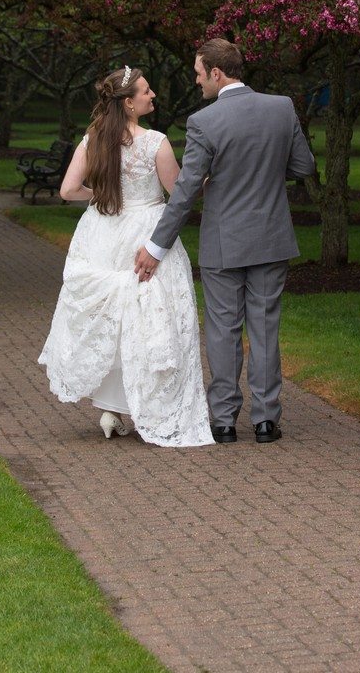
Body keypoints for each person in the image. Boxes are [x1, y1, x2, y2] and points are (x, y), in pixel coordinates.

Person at [135, 39, 316, 444]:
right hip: (271, 237)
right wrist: (267, 172)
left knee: (223, 329)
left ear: (217, 73)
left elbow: (184, 192)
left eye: (199, 74)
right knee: (265, 328)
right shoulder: (282, 107)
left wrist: (155, 246)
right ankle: (267, 421)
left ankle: (223, 421)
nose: (197, 81)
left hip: (224, 241)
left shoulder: (205, 122)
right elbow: (304, 165)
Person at [38, 66, 214, 447]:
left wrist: (99, 196)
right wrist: (210, 175)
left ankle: (111, 409)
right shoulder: (155, 142)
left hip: (103, 232)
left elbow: (68, 190)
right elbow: (178, 190)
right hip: (145, 232)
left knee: (113, 318)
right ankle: (147, 404)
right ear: (129, 103)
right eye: (147, 92)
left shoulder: (94, 138)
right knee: (151, 316)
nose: (153, 96)